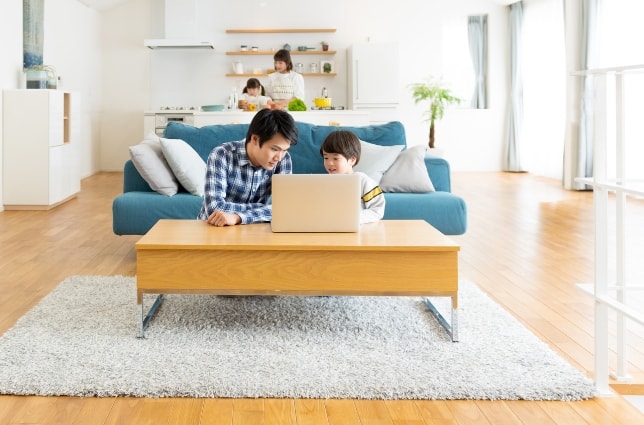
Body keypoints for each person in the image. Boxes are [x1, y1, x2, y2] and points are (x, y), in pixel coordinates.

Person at [198, 108, 298, 226]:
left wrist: (238, 217)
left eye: (285, 150)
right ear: (255, 139)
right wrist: (264, 208)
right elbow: (214, 209)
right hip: (215, 228)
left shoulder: (283, 159)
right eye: (274, 149)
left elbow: (284, 208)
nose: (279, 157)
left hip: (254, 230)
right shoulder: (222, 155)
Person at [319, 130, 385, 224]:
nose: (329, 163)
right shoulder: (322, 182)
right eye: (326, 158)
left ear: (352, 160)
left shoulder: (363, 181)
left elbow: (377, 210)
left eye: (335, 158)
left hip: (357, 229)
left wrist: (353, 219)